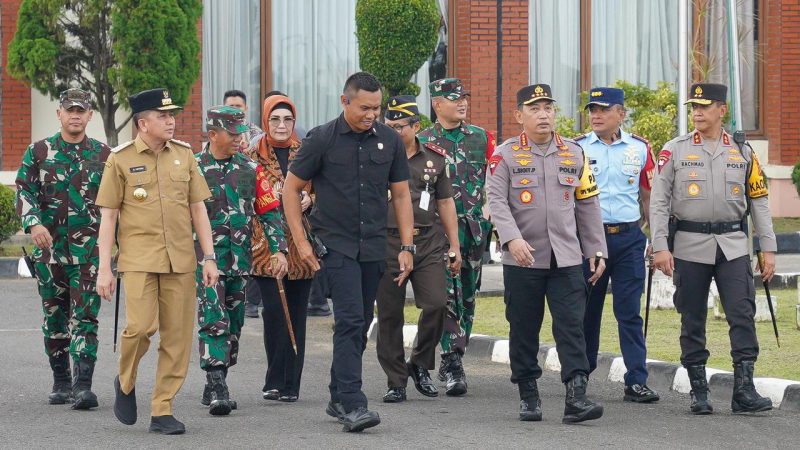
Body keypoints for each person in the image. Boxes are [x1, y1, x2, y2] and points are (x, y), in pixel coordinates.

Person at [282, 72, 415, 432]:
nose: (372, 115)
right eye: (365, 108)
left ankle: (337, 394)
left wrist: (407, 246)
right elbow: (290, 190)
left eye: (377, 108)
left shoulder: (389, 140)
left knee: (360, 326)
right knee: (352, 320)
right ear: (345, 102)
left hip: (373, 246)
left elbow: (401, 195)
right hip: (335, 245)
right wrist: (301, 242)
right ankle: (354, 404)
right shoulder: (321, 139)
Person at [95, 88, 218, 435]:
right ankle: (126, 379)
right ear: (142, 123)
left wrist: (208, 257)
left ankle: (162, 408)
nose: (171, 121)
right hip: (137, 260)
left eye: (172, 115)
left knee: (177, 338)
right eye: (163, 116)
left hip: (181, 260)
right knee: (141, 327)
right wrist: (105, 269)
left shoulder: (184, 155)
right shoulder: (118, 159)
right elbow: (108, 217)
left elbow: (198, 209)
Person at [650, 83, 777, 415]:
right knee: (692, 317)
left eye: (704, 107)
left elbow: (759, 202)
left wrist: (768, 248)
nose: (697, 112)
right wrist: (660, 246)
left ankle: (744, 391)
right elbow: (659, 202)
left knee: (742, 314)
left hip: (733, 245)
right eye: (693, 107)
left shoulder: (743, 151)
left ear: (722, 110)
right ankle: (698, 390)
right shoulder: (674, 150)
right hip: (690, 246)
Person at [486, 83, 607, 423]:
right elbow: (496, 202)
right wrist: (512, 239)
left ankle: (576, 397)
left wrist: (596, 249)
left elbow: (588, 204)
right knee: (524, 327)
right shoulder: (505, 155)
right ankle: (528, 393)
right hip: (523, 258)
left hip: (566, 257)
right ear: (519, 115)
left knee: (572, 326)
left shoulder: (574, 153)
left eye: (548, 108)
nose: (543, 114)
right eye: (535, 108)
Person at [15, 88, 111, 410]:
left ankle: (83, 385)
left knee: (86, 318)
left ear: (89, 116)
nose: (75, 115)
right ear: (59, 114)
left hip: (89, 255)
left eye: (80, 110)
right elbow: (24, 191)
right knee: (55, 318)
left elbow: (116, 205)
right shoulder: (38, 152)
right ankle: (60, 381)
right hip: (49, 254)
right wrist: (33, 223)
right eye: (69, 110)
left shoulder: (104, 156)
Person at [195, 106, 288, 416]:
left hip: (239, 260)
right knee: (214, 319)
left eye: (241, 133)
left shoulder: (250, 169)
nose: (239, 138)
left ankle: (216, 378)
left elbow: (270, 211)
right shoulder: (192, 169)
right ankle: (218, 383)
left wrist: (278, 250)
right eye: (232, 133)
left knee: (233, 324)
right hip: (205, 262)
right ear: (212, 134)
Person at [574, 87, 660, 403]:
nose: (595, 115)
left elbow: (650, 196)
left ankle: (636, 380)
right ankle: (580, 377)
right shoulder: (577, 148)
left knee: (629, 311)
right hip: (590, 240)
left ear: (620, 113)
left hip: (628, 239)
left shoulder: (639, 149)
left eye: (603, 109)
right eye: (592, 109)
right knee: (588, 312)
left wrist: (655, 238)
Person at [376, 96, 462, 403]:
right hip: (387, 242)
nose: (395, 132)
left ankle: (420, 364)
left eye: (401, 126)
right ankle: (396, 380)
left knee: (437, 303)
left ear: (416, 126)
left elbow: (445, 203)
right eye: (389, 126)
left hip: (427, 241)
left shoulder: (435, 160)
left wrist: (454, 245)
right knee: (389, 314)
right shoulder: (377, 157)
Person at [418, 78, 495, 396]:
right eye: (454, 99)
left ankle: (456, 355)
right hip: (437, 235)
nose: (462, 103)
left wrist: (491, 219)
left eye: (464, 97)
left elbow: (494, 180)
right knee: (446, 298)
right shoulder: (423, 141)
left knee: (467, 299)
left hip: (473, 232)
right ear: (437, 104)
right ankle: (452, 362)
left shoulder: (480, 138)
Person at [246, 94, 315, 403]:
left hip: (300, 246)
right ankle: (274, 379)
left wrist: (311, 200)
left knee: (297, 313)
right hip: (265, 246)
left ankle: (291, 384)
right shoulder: (251, 155)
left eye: (288, 119)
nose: (282, 125)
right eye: (275, 119)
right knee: (274, 310)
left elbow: (324, 188)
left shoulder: (308, 152)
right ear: (265, 121)